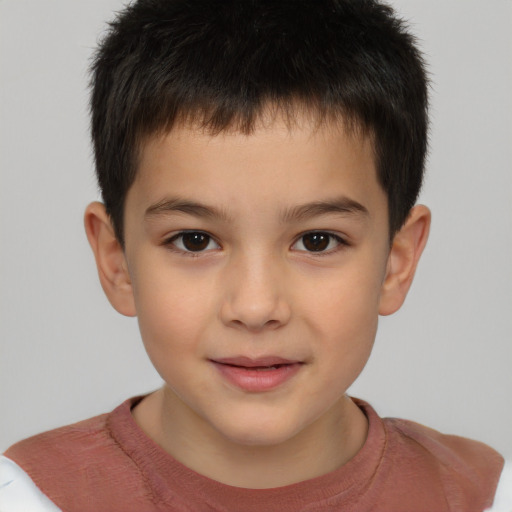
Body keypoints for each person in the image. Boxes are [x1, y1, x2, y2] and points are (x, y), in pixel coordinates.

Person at [0, 0, 510, 510]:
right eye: (194, 240)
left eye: (317, 240)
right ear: (117, 261)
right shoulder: (29, 497)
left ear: (396, 261)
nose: (255, 306)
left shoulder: (484, 497)